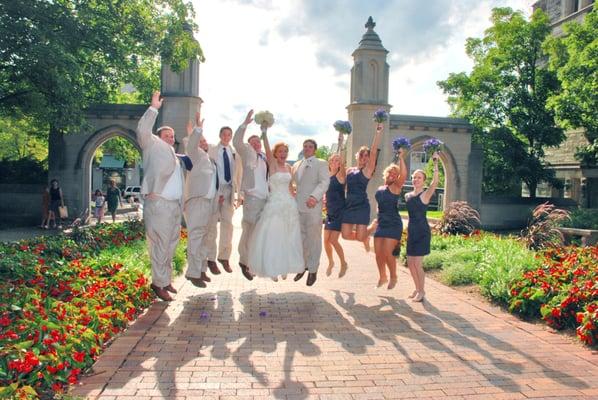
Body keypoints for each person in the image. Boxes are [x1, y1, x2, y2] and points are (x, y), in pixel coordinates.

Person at [136, 91, 184, 302]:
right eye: (167, 136)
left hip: (173, 206)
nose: (170, 139)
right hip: (159, 204)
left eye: (172, 137)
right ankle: (157, 283)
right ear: (158, 136)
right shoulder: (152, 145)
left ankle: (165, 280)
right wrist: (154, 108)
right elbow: (143, 130)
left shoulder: (174, 154)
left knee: (171, 243)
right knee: (160, 244)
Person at [247, 129, 304, 280]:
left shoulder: (290, 168)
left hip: (289, 205)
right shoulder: (271, 165)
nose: (283, 154)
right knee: (274, 235)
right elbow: (266, 148)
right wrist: (264, 133)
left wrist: (297, 201)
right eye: (280, 151)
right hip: (275, 204)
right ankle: (272, 268)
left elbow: (291, 188)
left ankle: (284, 266)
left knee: (289, 236)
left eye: (285, 151)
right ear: (276, 153)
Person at [183, 107, 220, 289]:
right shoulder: (195, 155)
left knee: (206, 237)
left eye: (206, 141)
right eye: (201, 141)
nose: (204, 143)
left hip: (210, 203)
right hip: (197, 201)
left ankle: (201, 269)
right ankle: (192, 272)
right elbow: (190, 144)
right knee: (196, 236)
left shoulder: (209, 159)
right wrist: (197, 130)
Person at [233, 109, 269, 281]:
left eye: (257, 142)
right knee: (249, 230)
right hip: (252, 198)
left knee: (258, 233)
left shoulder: (265, 157)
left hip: (265, 200)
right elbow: (237, 141)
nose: (256, 144)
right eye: (253, 142)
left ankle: (251, 262)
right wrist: (245, 124)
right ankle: (244, 261)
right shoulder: (246, 152)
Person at [292, 139, 330, 286]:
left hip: (313, 207)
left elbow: (324, 182)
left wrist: (314, 196)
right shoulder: (296, 165)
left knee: (314, 239)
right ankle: (303, 266)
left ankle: (313, 270)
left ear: (314, 149)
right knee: (301, 240)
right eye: (305, 146)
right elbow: (295, 185)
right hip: (298, 207)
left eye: (310, 147)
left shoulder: (321, 163)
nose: (307, 148)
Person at [341, 123, 383, 247]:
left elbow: (374, 152)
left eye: (366, 155)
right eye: (361, 155)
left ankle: (369, 231)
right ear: (357, 156)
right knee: (345, 235)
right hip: (349, 205)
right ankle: (365, 237)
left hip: (361, 205)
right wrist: (342, 142)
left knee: (360, 237)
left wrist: (378, 133)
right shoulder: (350, 170)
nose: (364, 157)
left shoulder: (367, 171)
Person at [206, 125, 241, 275]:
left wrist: (239, 195)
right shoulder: (211, 149)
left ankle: (224, 257)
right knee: (212, 225)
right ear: (220, 135)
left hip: (228, 190)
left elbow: (239, 174)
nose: (226, 137)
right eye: (224, 134)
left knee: (228, 225)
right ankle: (211, 259)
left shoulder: (235, 153)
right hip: (215, 189)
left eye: (229, 135)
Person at [405, 152, 440, 302]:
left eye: (419, 177)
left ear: (423, 181)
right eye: (414, 177)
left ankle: (422, 291)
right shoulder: (407, 196)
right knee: (410, 263)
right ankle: (417, 288)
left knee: (417, 263)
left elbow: (435, 183)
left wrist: (436, 163)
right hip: (412, 231)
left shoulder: (425, 195)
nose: (415, 179)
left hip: (422, 232)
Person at [373, 150, 408, 290]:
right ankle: (382, 276)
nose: (392, 175)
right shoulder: (381, 187)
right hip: (381, 223)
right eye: (390, 173)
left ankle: (393, 276)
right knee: (378, 253)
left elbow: (404, 175)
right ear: (386, 173)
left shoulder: (396, 187)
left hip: (393, 224)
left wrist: (401, 157)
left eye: (395, 174)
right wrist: (376, 219)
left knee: (388, 252)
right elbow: (378, 205)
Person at [324, 153, 348, 278]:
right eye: (332, 160)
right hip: (329, 211)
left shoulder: (340, 176)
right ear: (329, 162)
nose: (334, 162)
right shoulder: (326, 176)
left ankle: (343, 263)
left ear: (340, 164)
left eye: (337, 161)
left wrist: (340, 141)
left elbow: (343, 167)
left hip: (339, 212)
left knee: (333, 240)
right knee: (326, 241)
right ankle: (331, 262)